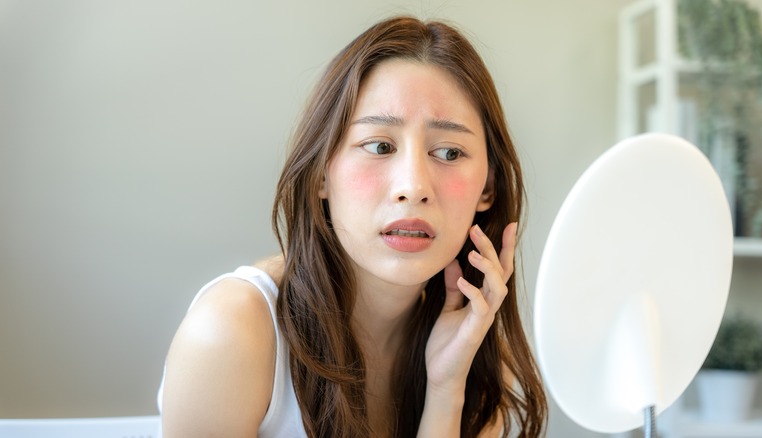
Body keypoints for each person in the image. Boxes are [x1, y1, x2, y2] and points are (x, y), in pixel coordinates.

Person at [158, 15, 548, 438]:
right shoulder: (232, 331)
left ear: (488, 188)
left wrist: (445, 389)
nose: (413, 187)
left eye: (450, 153)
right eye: (379, 146)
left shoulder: (474, 351)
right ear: (321, 175)